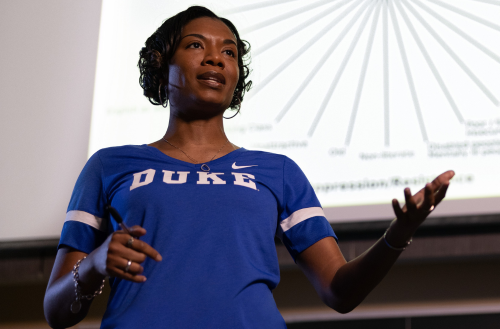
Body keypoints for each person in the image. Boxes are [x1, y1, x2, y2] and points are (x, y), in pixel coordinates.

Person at [43, 6, 454, 329]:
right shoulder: (109, 166)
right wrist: (96, 263)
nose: (216, 59)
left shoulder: (278, 171)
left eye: (229, 51)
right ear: (160, 62)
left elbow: (339, 291)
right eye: (196, 46)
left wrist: (399, 233)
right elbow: (56, 311)